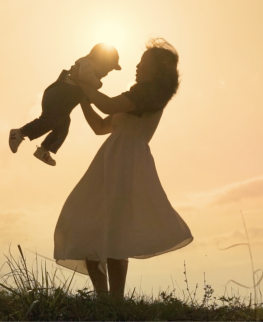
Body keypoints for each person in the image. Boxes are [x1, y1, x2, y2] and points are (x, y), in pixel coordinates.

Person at [53, 38, 193, 299]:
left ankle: (115, 301)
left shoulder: (148, 94)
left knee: (113, 228)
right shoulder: (138, 94)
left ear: (157, 70)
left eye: (143, 63)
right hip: (111, 156)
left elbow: (106, 105)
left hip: (127, 159)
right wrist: (82, 97)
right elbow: (99, 126)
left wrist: (83, 84)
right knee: (83, 219)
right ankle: (105, 298)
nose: (137, 66)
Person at [8, 43, 121, 166]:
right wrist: (98, 85)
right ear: (101, 59)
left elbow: (86, 89)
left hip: (63, 102)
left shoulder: (92, 68)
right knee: (49, 121)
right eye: (109, 66)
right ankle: (19, 133)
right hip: (59, 94)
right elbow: (85, 76)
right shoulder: (86, 63)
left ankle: (44, 149)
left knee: (63, 127)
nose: (109, 71)